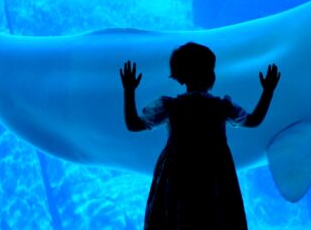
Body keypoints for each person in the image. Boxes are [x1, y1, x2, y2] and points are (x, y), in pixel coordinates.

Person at [119, 42, 280, 229]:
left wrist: (129, 91)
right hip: (215, 171)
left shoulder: (170, 106)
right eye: (210, 68)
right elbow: (253, 120)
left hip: (178, 169)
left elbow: (133, 124)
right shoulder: (221, 106)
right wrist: (268, 91)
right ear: (209, 74)